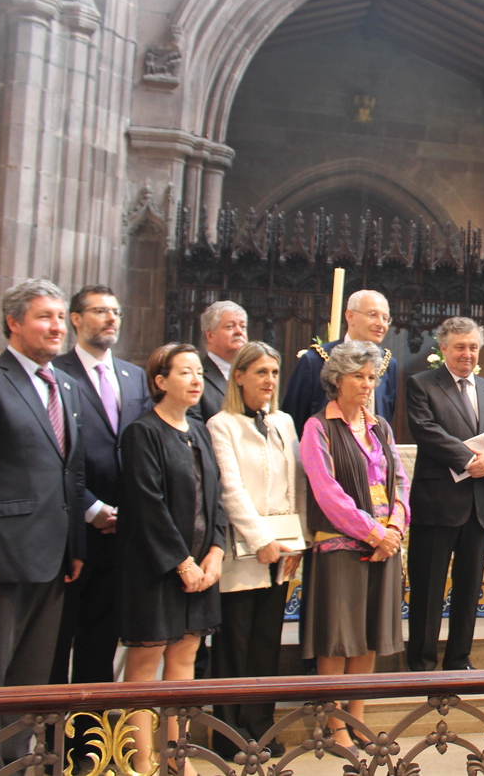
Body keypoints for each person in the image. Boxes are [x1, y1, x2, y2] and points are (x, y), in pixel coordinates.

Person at [0, 280, 86, 770]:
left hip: (54, 555)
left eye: (60, 317)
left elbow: (72, 474)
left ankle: (14, 764)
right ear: (14, 322)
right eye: (44, 317)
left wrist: (76, 545)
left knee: (29, 681)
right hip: (2, 557)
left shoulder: (66, 385)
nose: (57, 326)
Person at [50, 285, 152, 764]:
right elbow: (58, 458)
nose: (110, 319)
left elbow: (137, 450)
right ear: (75, 320)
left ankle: (89, 746)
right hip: (72, 527)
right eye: (98, 312)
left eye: (115, 311)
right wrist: (92, 508)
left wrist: (129, 512)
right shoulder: (57, 372)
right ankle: (53, 744)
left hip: (124, 531)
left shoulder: (133, 377)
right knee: (58, 640)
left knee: (101, 639)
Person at [118, 343, 226, 776]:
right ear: (160, 381)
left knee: (185, 657)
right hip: (155, 568)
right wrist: (182, 562)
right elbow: (147, 505)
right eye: (185, 372)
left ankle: (176, 757)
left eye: (199, 372)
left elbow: (215, 499)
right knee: (146, 662)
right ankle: (141, 761)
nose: (197, 380)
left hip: (202, 566)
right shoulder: (142, 432)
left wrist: (216, 551)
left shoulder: (199, 429)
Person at [299, 340, 409, 755]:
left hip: (385, 543)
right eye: (358, 377)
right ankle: (333, 722)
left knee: (367, 638)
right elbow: (328, 493)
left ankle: (357, 715)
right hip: (342, 546)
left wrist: (395, 526)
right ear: (336, 380)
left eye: (371, 378)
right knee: (338, 638)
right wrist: (374, 533)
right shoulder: (318, 427)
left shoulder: (380, 425)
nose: (367, 385)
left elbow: (399, 481)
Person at [207, 342, 306, 759]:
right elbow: (230, 489)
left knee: (267, 639)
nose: (269, 381)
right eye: (261, 372)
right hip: (242, 551)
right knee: (235, 641)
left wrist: (295, 541)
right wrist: (260, 539)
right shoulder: (221, 424)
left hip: (282, 548)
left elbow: (296, 482)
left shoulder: (283, 421)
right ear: (240, 376)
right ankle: (228, 732)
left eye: (274, 373)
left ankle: (260, 727)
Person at [405, 317, 484, 670]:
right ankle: (422, 663)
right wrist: (473, 461)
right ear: (443, 349)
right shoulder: (422, 385)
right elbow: (427, 432)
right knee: (428, 588)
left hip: (481, 502)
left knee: (469, 589)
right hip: (438, 502)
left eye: (472, 347)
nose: (466, 353)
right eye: (459, 346)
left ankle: (458, 658)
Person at [282, 290, 398, 437]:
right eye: (373, 315)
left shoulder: (388, 364)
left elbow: (386, 414)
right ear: (350, 316)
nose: (381, 324)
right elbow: (292, 420)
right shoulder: (316, 360)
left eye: (385, 318)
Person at [193, 300, 248, 421]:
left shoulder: (253, 374)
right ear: (210, 336)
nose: (239, 331)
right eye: (230, 326)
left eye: (243, 326)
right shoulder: (196, 375)